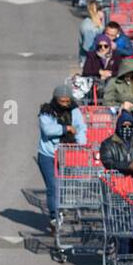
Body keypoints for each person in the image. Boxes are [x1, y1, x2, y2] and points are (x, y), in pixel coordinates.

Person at [37, 85, 87, 228]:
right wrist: (66, 128)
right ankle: (54, 216)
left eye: (67, 101)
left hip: (68, 153)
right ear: (55, 99)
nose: (65, 104)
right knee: (53, 186)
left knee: (66, 186)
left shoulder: (74, 110)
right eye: (62, 101)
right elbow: (48, 130)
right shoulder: (46, 112)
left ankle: (61, 209)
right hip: (48, 154)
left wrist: (81, 145)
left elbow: (80, 127)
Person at [78, 0, 105, 66]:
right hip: (88, 61)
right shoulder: (89, 27)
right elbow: (88, 47)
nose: (103, 13)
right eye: (101, 10)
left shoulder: (96, 23)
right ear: (96, 11)